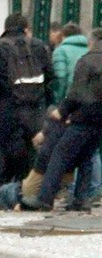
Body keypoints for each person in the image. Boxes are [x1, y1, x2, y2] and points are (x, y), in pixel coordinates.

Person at [26, 28, 102, 210]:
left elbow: (77, 92)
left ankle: (44, 198)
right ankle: (81, 200)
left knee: (59, 155)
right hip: (99, 119)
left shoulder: (87, 60)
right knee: (86, 157)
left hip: (83, 116)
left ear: (90, 42)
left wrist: (63, 111)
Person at [0, 13, 53, 188]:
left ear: (5, 28)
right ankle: (27, 192)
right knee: (31, 151)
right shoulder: (39, 45)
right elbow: (50, 76)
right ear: (25, 27)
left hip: (7, 106)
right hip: (35, 108)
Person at [51, 23, 87, 105]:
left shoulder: (60, 51)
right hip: (88, 98)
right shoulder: (90, 50)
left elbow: (61, 77)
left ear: (63, 36)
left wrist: (57, 100)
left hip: (69, 98)